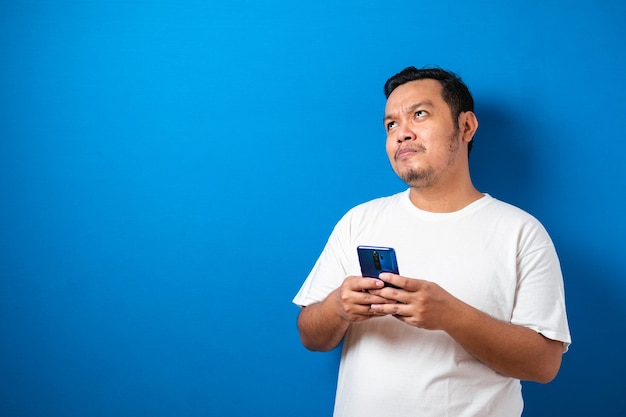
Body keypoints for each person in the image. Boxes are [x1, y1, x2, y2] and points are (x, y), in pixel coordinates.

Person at [292, 66, 571, 417]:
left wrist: (450, 315)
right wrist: (337, 308)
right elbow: (311, 336)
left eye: (419, 115)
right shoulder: (358, 221)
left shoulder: (521, 233)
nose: (401, 134)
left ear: (466, 126)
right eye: (391, 124)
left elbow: (544, 365)